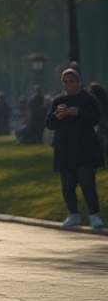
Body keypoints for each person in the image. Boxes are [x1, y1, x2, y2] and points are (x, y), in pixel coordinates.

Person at [46, 67, 104, 228]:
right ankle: (73, 214)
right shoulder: (58, 101)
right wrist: (57, 116)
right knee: (67, 185)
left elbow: (94, 118)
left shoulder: (88, 99)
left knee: (87, 182)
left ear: (79, 83)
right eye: (65, 82)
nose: (69, 84)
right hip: (65, 149)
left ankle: (94, 215)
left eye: (72, 81)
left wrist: (77, 112)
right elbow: (49, 124)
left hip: (85, 148)